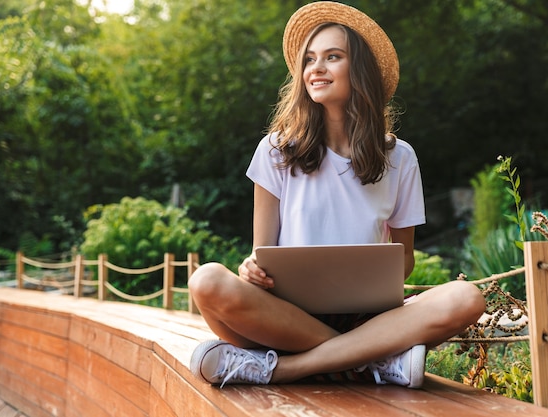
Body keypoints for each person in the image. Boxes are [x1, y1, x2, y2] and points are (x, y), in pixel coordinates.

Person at [188, 1, 485, 389]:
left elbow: (404, 261)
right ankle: (374, 362)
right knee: (206, 281)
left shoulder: (400, 156)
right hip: (285, 317)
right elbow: (260, 254)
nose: (317, 67)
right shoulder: (275, 150)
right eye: (310, 59)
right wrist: (250, 270)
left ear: (359, 71)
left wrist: (367, 278)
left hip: (371, 318)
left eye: (333, 57)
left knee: (466, 298)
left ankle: (283, 369)